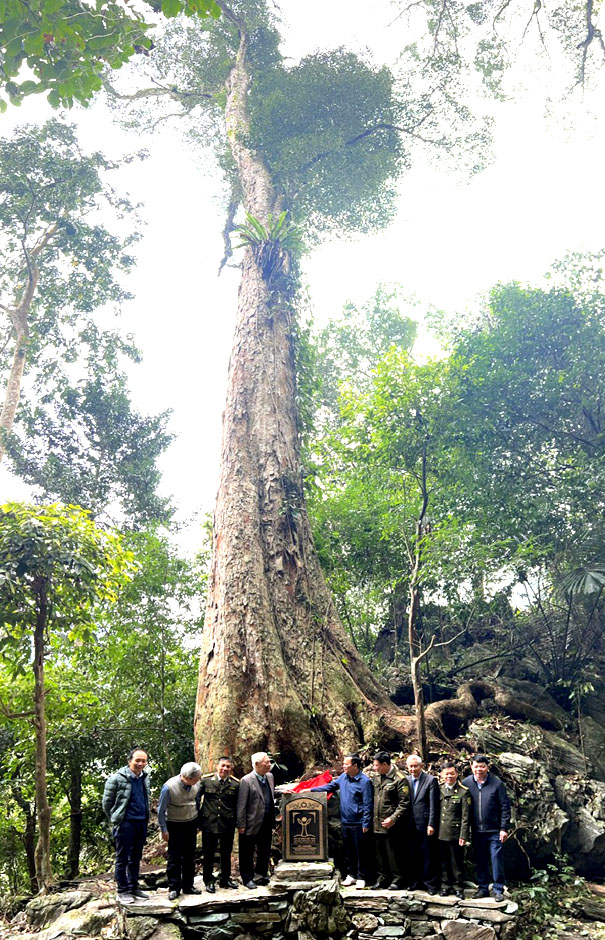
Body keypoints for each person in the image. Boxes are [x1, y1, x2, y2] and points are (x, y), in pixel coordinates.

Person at [311, 754, 373, 889]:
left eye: (346, 764)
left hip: (359, 822)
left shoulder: (364, 781)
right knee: (348, 850)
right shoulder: (343, 778)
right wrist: (310, 790)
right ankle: (351, 875)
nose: (343, 766)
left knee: (361, 851)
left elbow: (368, 803)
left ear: (355, 766)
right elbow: (329, 787)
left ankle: (362, 876)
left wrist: (366, 822)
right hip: (345, 821)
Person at [102, 747, 151, 903]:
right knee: (122, 858)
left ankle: (133, 886)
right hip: (125, 823)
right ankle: (122, 890)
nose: (140, 764)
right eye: (137, 760)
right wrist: (117, 818)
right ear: (130, 760)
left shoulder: (145, 777)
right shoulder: (116, 778)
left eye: (143, 761)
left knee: (136, 857)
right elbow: (106, 803)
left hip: (141, 822)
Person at [463, 754, 511, 903]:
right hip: (476, 830)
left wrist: (504, 828)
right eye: (476, 766)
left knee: (496, 859)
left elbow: (505, 807)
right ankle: (483, 888)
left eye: (482, 766)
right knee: (480, 860)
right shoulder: (466, 783)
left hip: (494, 830)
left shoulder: (497, 784)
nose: (479, 769)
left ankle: (498, 889)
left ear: (487, 767)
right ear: (472, 767)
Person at [158, 762, 204, 900]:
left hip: (191, 822)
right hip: (174, 824)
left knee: (190, 856)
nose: (198, 781)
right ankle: (174, 887)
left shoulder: (196, 784)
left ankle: (188, 885)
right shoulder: (169, 787)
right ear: (187, 778)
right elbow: (161, 811)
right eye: (196, 778)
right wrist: (164, 830)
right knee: (175, 857)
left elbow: (196, 801)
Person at [367, 751, 410, 890]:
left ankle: (398, 879)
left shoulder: (399, 778)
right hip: (377, 823)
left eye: (376, 765)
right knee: (380, 854)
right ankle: (383, 877)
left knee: (394, 854)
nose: (374, 768)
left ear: (385, 764)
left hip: (392, 825)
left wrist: (393, 818)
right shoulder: (376, 777)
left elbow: (404, 803)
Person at [198, 756, 240, 892]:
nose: (225, 769)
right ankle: (208, 880)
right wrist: (198, 820)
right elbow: (196, 799)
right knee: (208, 854)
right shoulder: (206, 781)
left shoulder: (235, 784)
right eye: (223, 766)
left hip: (227, 823)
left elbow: (238, 805)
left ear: (231, 769)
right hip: (209, 823)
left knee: (225, 853)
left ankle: (225, 879)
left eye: (228, 766)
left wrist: (238, 822)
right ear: (217, 766)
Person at [236, 752, 277, 889]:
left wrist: (283, 792)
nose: (269, 764)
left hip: (267, 821)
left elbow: (270, 793)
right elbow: (241, 805)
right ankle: (247, 878)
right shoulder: (246, 781)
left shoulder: (270, 777)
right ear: (257, 765)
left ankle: (261, 875)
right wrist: (241, 824)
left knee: (264, 850)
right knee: (247, 851)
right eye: (267, 762)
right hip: (251, 823)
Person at [406, 754, 440, 894]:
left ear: (421, 766)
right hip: (410, 824)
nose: (413, 769)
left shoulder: (430, 780)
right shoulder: (406, 780)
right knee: (413, 853)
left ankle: (430, 884)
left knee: (428, 854)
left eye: (416, 766)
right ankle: (415, 882)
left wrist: (431, 824)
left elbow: (434, 805)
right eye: (411, 766)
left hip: (425, 823)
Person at [438, 761, 470, 898]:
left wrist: (464, 835)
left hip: (455, 833)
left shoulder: (463, 791)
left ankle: (458, 887)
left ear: (457, 774)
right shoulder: (438, 789)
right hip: (441, 832)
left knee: (456, 861)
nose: (449, 776)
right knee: (443, 861)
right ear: (441, 775)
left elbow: (465, 817)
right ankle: (445, 885)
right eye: (446, 774)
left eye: (452, 773)